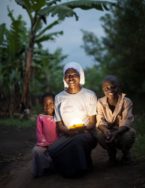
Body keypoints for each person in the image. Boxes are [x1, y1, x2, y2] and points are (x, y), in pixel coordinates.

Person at [48, 61, 97, 178]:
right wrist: (68, 131)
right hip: (68, 133)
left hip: (86, 133)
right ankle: (67, 167)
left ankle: (81, 169)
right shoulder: (59, 97)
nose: (70, 78)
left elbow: (92, 123)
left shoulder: (89, 95)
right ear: (64, 78)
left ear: (80, 76)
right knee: (52, 150)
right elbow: (60, 125)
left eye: (74, 74)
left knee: (78, 140)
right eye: (67, 75)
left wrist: (82, 129)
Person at [96, 75, 136, 165]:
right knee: (100, 135)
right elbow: (100, 120)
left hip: (123, 131)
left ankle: (126, 155)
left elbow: (126, 121)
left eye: (113, 87)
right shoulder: (100, 102)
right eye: (107, 88)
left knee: (128, 135)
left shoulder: (126, 101)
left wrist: (116, 133)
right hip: (109, 131)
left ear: (119, 87)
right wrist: (105, 130)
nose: (110, 90)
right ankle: (112, 155)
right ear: (103, 89)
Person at [32, 93, 58, 177]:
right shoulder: (41, 117)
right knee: (36, 150)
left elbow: (60, 131)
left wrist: (55, 142)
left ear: (55, 104)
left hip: (57, 142)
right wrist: (44, 143)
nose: (48, 106)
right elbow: (39, 132)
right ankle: (44, 169)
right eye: (45, 104)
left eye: (51, 104)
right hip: (43, 143)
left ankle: (55, 167)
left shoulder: (58, 117)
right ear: (42, 105)